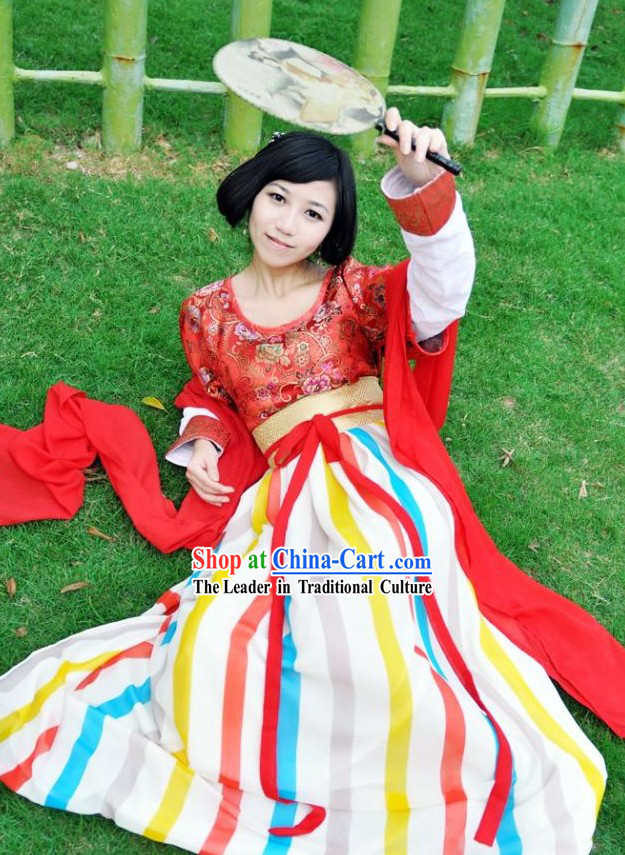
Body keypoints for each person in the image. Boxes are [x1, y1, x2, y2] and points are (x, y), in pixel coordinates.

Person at [0, 108, 617, 854]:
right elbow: (211, 393)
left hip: (377, 482)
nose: (288, 223)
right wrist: (201, 442)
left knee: (371, 627)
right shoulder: (206, 311)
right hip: (280, 495)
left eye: (314, 212)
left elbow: (442, 293)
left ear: (333, 228)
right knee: (217, 634)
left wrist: (419, 184)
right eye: (279, 197)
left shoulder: (352, 292)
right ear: (253, 193)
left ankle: (429, 761)